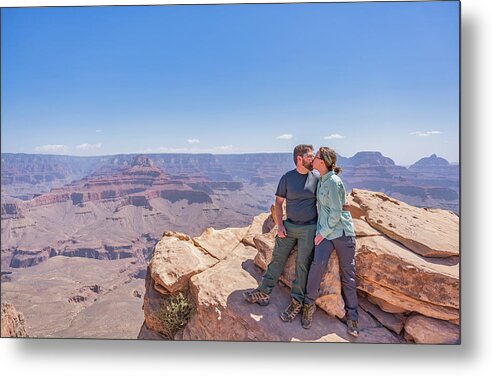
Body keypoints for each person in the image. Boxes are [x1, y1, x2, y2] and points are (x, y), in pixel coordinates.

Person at [243, 144, 318, 322]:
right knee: (277, 259)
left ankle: (297, 302)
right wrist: (280, 225)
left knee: (302, 265)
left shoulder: (316, 177)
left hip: (309, 228)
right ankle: (263, 292)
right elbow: (278, 203)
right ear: (299, 159)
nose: (313, 160)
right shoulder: (287, 178)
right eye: (309, 157)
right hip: (289, 226)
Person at [301, 147, 359, 337]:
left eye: (316, 157)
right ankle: (308, 306)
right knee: (316, 266)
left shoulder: (333, 182)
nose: (313, 159)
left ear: (323, 162)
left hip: (341, 233)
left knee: (348, 274)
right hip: (326, 232)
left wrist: (321, 234)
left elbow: (335, 213)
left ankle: (352, 318)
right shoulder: (322, 180)